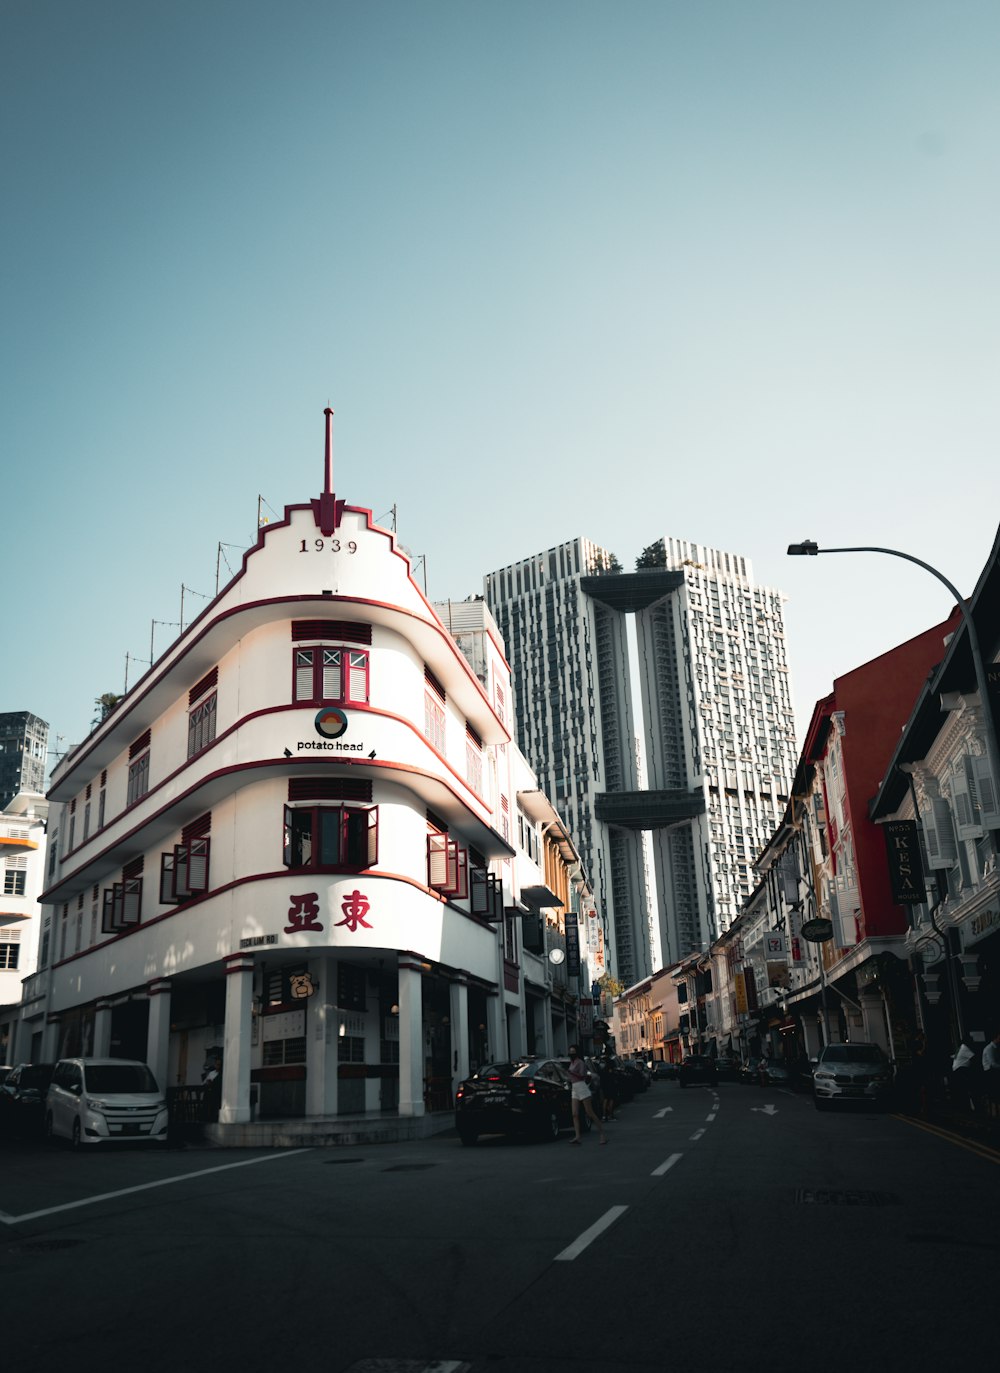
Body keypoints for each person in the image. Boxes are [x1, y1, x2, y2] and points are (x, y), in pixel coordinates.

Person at [567, 1045, 607, 1145]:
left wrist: (572, 1073)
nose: (571, 1054)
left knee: (589, 1112)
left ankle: (602, 1134)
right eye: (570, 1052)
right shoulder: (571, 1063)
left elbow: (583, 1076)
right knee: (575, 1114)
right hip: (574, 1087)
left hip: (581, 1087)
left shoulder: (580, 1063)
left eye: (573, 1052)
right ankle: (577, 1136)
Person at [598, 1055, 618, 1122]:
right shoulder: (610, 1067)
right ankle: (610, 1115)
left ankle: (604, 1116)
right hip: (610, 1085)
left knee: (605, 1100)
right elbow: (613, 1076)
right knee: (611, 1099)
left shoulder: (601, 1068)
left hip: (604, 1085)